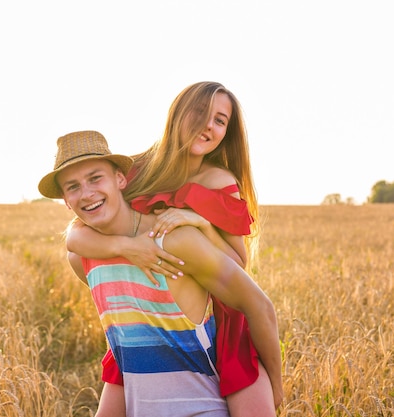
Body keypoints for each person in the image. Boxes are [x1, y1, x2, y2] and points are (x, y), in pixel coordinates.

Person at [65, 82, 282, 416]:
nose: (208, 125)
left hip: (219, 319)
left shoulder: (219, 182)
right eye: (200, 112)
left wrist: (202, 224)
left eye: (220, 120)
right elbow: (75, 236)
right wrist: (128, 247)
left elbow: (239, 265)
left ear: (227, 132)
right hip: (147, 314)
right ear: (178, 113)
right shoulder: (137, 169)